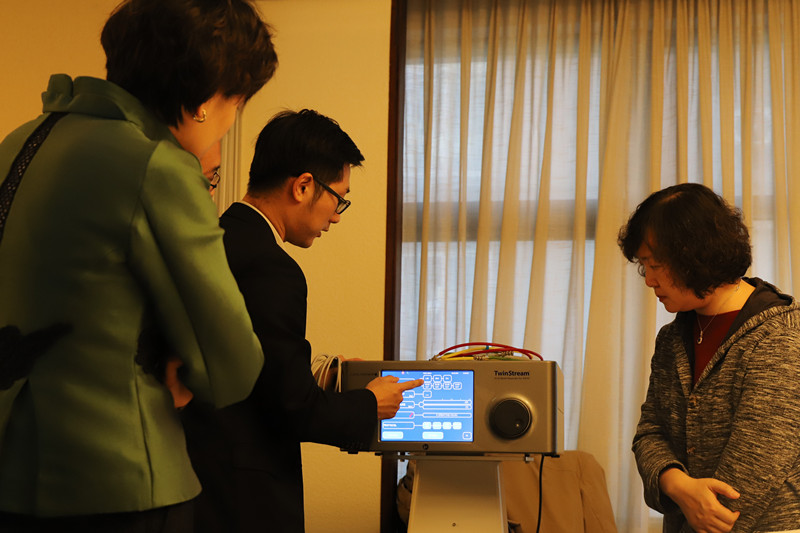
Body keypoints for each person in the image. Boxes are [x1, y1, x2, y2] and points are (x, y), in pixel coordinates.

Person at [0, 0, 277, 530]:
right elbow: (232, 365)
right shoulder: (154, 165)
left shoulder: (18, 143)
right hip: (119, 481)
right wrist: (184, 364)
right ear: (207, 98)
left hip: (15, 473)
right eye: (238, 101)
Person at [180, 109, 424, 533]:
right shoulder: (272, 268)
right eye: (339, 198)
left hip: (195, 482)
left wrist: (317, 380)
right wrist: (370, 404)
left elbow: (242, 374)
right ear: (303, 186)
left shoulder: (212, 242)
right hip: (242, 501)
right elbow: (292, 409)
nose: (337, 215)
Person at [618, 183, 800, 533]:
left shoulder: (780, 333)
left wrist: (698, 515)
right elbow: (650, 432)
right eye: (644, 266)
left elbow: (756, 465)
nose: (649, 280)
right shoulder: (672, 338)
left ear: (694, 256)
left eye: (655, 265)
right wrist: (675, 483)